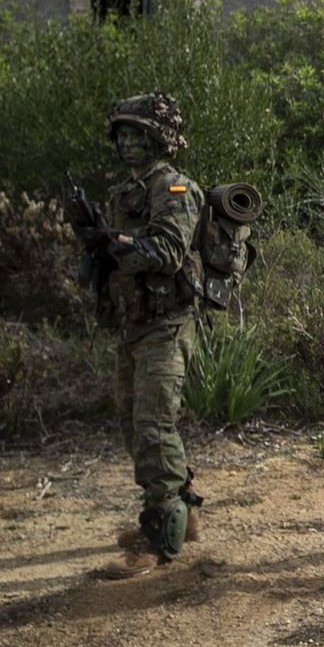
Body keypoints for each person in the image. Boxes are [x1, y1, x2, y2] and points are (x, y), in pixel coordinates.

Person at [85, 93, 206, 579]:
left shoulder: (174, 187)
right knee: (134, 425)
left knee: (153, 426)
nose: (128, 144)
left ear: (159, 139)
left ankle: (157, 539)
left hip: (166, 324)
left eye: (138, 134)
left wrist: (117, 244)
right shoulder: (126, 192)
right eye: (122, 135)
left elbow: (169, 252)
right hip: (133, 323)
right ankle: (185, 508)